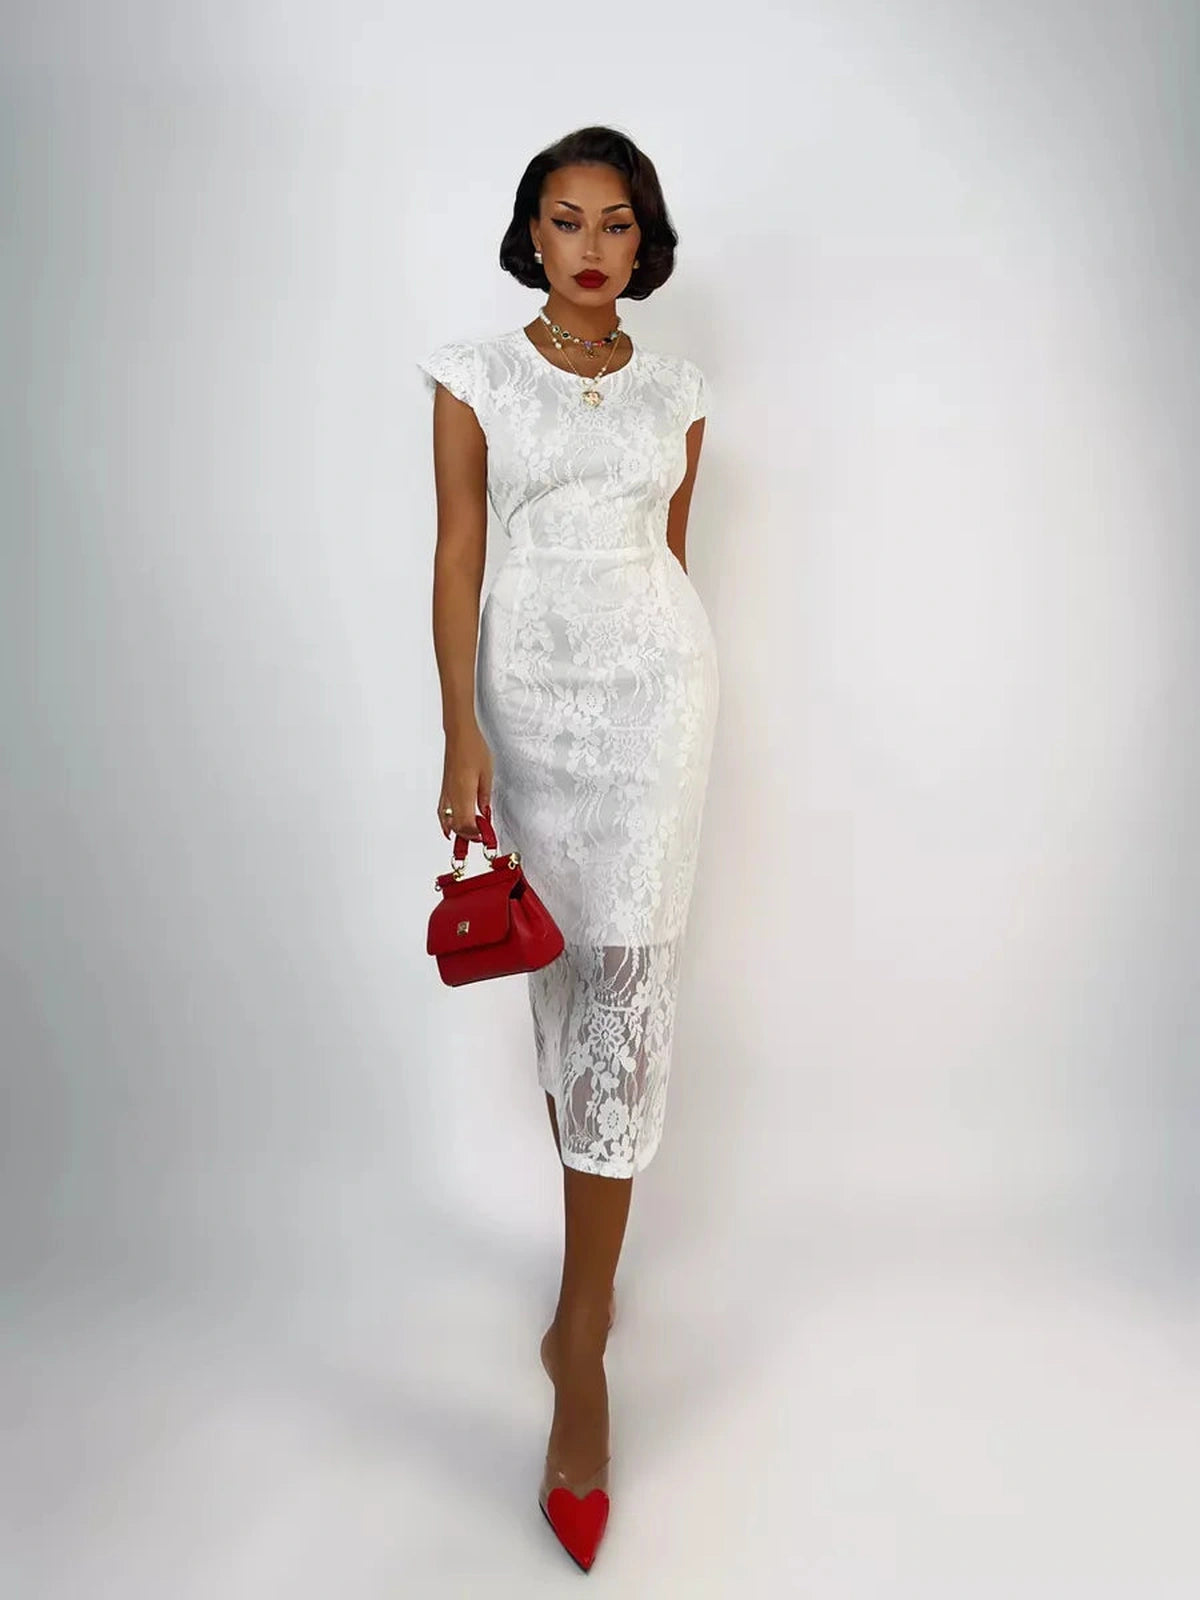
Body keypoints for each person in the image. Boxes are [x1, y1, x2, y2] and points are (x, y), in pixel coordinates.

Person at [417, 124, 719, 1572]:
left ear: (642, 241)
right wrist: (460, 731)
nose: (590, 245)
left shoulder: (682, 391)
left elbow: (674, 554)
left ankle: (582, 1336)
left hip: (658, 703)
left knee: (628, 997)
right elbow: (457, 554)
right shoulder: (473, 378)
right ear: (530, 234)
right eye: (564, 218)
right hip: (529, 711)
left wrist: (667, 689)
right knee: (561, 986)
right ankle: (581, 1282)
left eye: (615, 222)